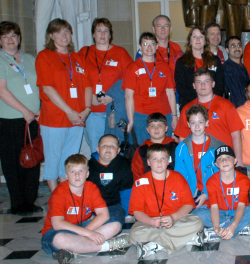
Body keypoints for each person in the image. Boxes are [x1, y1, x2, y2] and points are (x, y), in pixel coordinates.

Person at [0, 21, 42, 215]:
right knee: (13, 161)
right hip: (9, 120)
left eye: (13, 36)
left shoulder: (30, 59)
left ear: (19, 38)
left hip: (32, 119)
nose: (10, 40)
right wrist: (24, 111)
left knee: (32, 158)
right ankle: (18, 203)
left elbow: (42, 84)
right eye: (5, 37)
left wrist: (40, 108)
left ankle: (30, 199)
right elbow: (1, 91)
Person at [36, 19, 92, 192]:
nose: (64, 35)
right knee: (53, 159)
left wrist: (87, 109)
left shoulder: (76, 57)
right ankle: (56, 198)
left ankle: (66, 195)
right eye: (59, 32)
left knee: (68, 160)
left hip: (77, 118)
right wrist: (69, 111)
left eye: (67, 31)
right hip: (55, 118)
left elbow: (88, 85)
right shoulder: (45, 56)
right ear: (51, 35)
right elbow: (47, 88)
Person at [40, 154, 128, 264]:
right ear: (66, 176)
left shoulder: (91, 187)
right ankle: (106, 246)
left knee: (115, 225)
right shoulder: (59, 192)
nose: (77, 175)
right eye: (72, 172)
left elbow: (104, 215)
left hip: (83, 226)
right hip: (57, 231)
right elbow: (57, 224)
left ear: (87, 174)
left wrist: (86, 233)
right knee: (60, 239)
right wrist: (89, 233)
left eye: (81, 171)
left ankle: (75, 249)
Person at [128, 144, 205, 259]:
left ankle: (155, 245)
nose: (159, 162)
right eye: (155, 159)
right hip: (150, 222)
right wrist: (152, 222)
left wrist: (173, 218)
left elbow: (188, 205)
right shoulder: (140, 182)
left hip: (176, 219)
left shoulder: (178, 178)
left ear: (168, 161)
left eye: (163, 158)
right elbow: (137, 212)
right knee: (134, 233)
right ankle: (186, 239)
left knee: (197, 222)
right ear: (148, 162)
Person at [81, 18, 132, 151]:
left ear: (110, 34)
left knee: (114, 149)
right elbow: (76, 79)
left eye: (106, 31)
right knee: (97, 149)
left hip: (114, 109)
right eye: (99, 31)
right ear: (93, 34)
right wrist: (89, 98)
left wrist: (112, 96)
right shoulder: (84, 53)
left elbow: (131, 79)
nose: (102, 34)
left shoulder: (120, 53)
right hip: (93, 112)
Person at [174, 68, 243, 163]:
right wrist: (183, 162)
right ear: (194, 85)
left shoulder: (226, 105)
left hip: (223, 159)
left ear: (213, 84)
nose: (202, 85)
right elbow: (183, 138)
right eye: (199, 82)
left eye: (206, 81)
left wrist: (239, 162)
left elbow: (236, 135)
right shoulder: (187, 109)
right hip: (197, 160)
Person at [192, 145, 250, 242]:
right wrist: (216, 227)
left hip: (238, 211)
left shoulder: (244, 180)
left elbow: (241, 205)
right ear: (216, 164)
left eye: (228, 157)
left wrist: (234, 225)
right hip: (220, 213)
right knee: (197, 214)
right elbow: (214, 207)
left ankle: (228, 229)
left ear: (235, 161)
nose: (224, 161)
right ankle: (237, 228)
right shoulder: (211, 181)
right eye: (220, 159)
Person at [123, 32, 176, 146]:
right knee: (144, 150)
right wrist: (131, 120)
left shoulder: (165, 67)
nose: (149, 47)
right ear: (140, 47)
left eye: (152, 43)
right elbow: (128, 96)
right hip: (141, 115)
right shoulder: (132, 67)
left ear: (157, 46)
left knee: (163, 150)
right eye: (145, 44)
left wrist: (174, 117)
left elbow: (171, 94)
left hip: (163, 114)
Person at [174, 105, 225, 210]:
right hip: (190, 195)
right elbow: (179, 176)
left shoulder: (218, 147)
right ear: (188, 124)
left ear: (207, 122)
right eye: (193, 123)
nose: (197, 126)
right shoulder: (181, 148)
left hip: (215, 193)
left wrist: (207, 194)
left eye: (200, 122)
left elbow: (221, 175)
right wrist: (186, 196)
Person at [175, 26, 225, 109]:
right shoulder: (181, 62)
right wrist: (200, 100)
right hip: (190, 105)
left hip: (212, 105)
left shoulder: (215, 60)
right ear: (190, 41)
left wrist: (208, 100)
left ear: (205, 41)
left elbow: (220, 85)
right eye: (194, 37)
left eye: (201, 37)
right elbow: (181, 88)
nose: (198, 39)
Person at [88, 134, 133, 227]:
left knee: (114, 223)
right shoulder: (88, 166)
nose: (108, 148)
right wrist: (89, 212)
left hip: (115, 205)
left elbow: (126, 191)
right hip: (94, 206)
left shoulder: (125, 165)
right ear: (97, 149)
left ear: (118, 150)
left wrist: (126, 212)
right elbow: (85, 193)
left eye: (112, 146)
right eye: (104, 145)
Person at [131, 113, 177, 181]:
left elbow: (182, 169)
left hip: (172, 185)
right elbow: (137, 173)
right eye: (152, 126)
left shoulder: (175, 147)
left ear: (166, 128)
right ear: (147, 130)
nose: (156, 129)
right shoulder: (142, 150)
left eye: (160, 125)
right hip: (149, 187)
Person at [224, 36, 250, 108]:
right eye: (233, 46)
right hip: (237, 108)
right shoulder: (228, 68)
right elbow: (235, 93)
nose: (237, 48)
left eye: (239, 45)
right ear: (227, 50)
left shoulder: (243, 67)